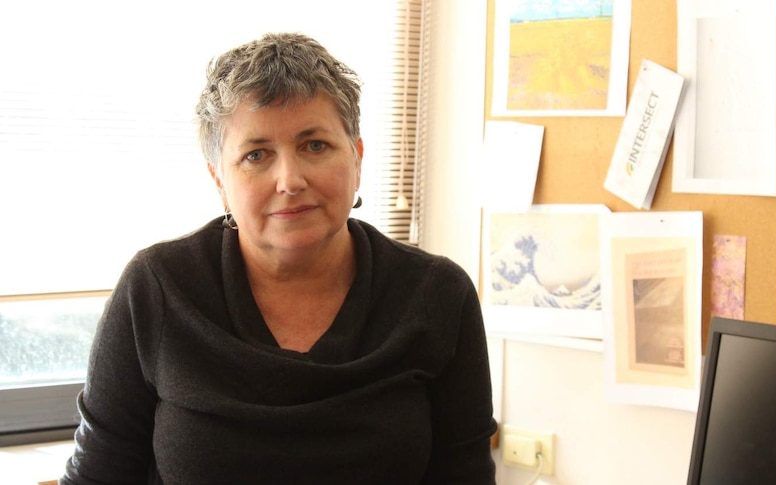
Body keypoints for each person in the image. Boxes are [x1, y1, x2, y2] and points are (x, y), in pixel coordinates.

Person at [59, 32, 497, 484]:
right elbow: (97, 476)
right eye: (256, 155)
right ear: (219, 179)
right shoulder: (157, 288)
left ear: (357, 157)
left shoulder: (437, 295)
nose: (289, 179)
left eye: (315, 146)